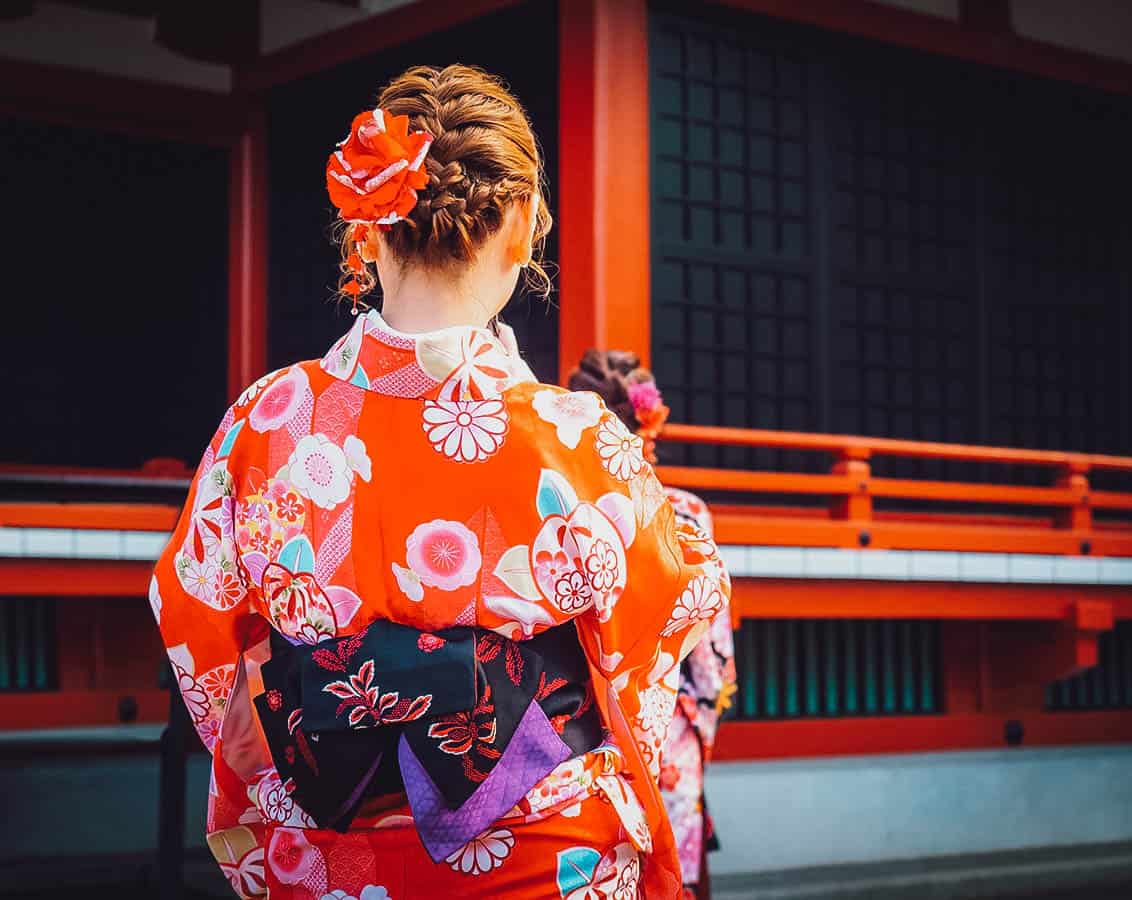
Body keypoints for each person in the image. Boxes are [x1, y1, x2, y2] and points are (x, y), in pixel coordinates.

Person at [150, 65, 729, 899]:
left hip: (325, 851)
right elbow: (661, 621)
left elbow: (192, 614)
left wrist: (291, 773)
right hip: (538, 852)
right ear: (523, 222)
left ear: (366, 229)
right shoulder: (576, 435)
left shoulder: (267, 419)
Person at [567, 352, 737, 900]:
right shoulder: (684, 512)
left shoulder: (569, 508)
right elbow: (711, 654)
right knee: (674, 870)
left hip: (582, 729)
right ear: (644, 424)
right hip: (667, 724)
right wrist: (707, 710)